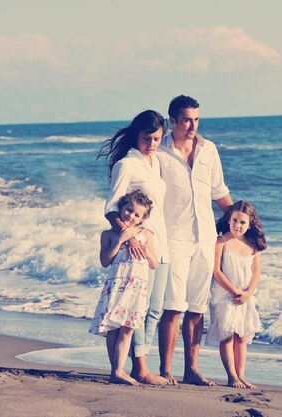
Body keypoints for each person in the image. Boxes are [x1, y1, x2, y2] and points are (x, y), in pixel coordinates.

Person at [157, 95, 233, 386]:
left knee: (197, 309)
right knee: (173, 307)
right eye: (186, 119)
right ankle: (165, 370)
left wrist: (245, 220)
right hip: (173, 239)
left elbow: (219, 191)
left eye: (196, 119)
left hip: (205, 240)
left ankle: (192, 369)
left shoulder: (209, 150)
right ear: (172, 121)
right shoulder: (159, 152)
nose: (192, 126)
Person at [97, 110, 171, 385]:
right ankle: (139, 367)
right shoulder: (127, 164)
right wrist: (129, 237)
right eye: (147, 138)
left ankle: (141, 363)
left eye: (157, 138)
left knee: (155, 309)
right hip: (136, 247)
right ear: (136, 134)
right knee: (137, 309)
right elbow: (111, 208)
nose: (151, 143)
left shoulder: (155, 162)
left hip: (158, 242)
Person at [89, 190, 159, 386]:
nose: (131, 216)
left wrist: (146, 251)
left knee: (128, 328)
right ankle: (116, 371)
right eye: (129, 210)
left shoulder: (146, 234)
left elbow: (154, 263)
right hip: (118, 285)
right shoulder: (108, 234)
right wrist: (120, 239)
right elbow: (105, 261)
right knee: (113, 327)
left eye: (137, 214)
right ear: (121, 208)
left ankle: (119, 370)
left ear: (142, 219)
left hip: (136, 288)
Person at [206, 201, 267, 388]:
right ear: (229, 220)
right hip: (225, 295)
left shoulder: (253, 246)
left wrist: (247, 294)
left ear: (250, 224)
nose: (237, 226)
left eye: (242, 222)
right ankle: (231, 376)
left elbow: (256, 273)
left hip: (244, 297)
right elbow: (216, 271)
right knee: (228, 334)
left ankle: (241, 376)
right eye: (234, 221)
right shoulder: (221, 241)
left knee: (241, 336)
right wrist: (234, 290)